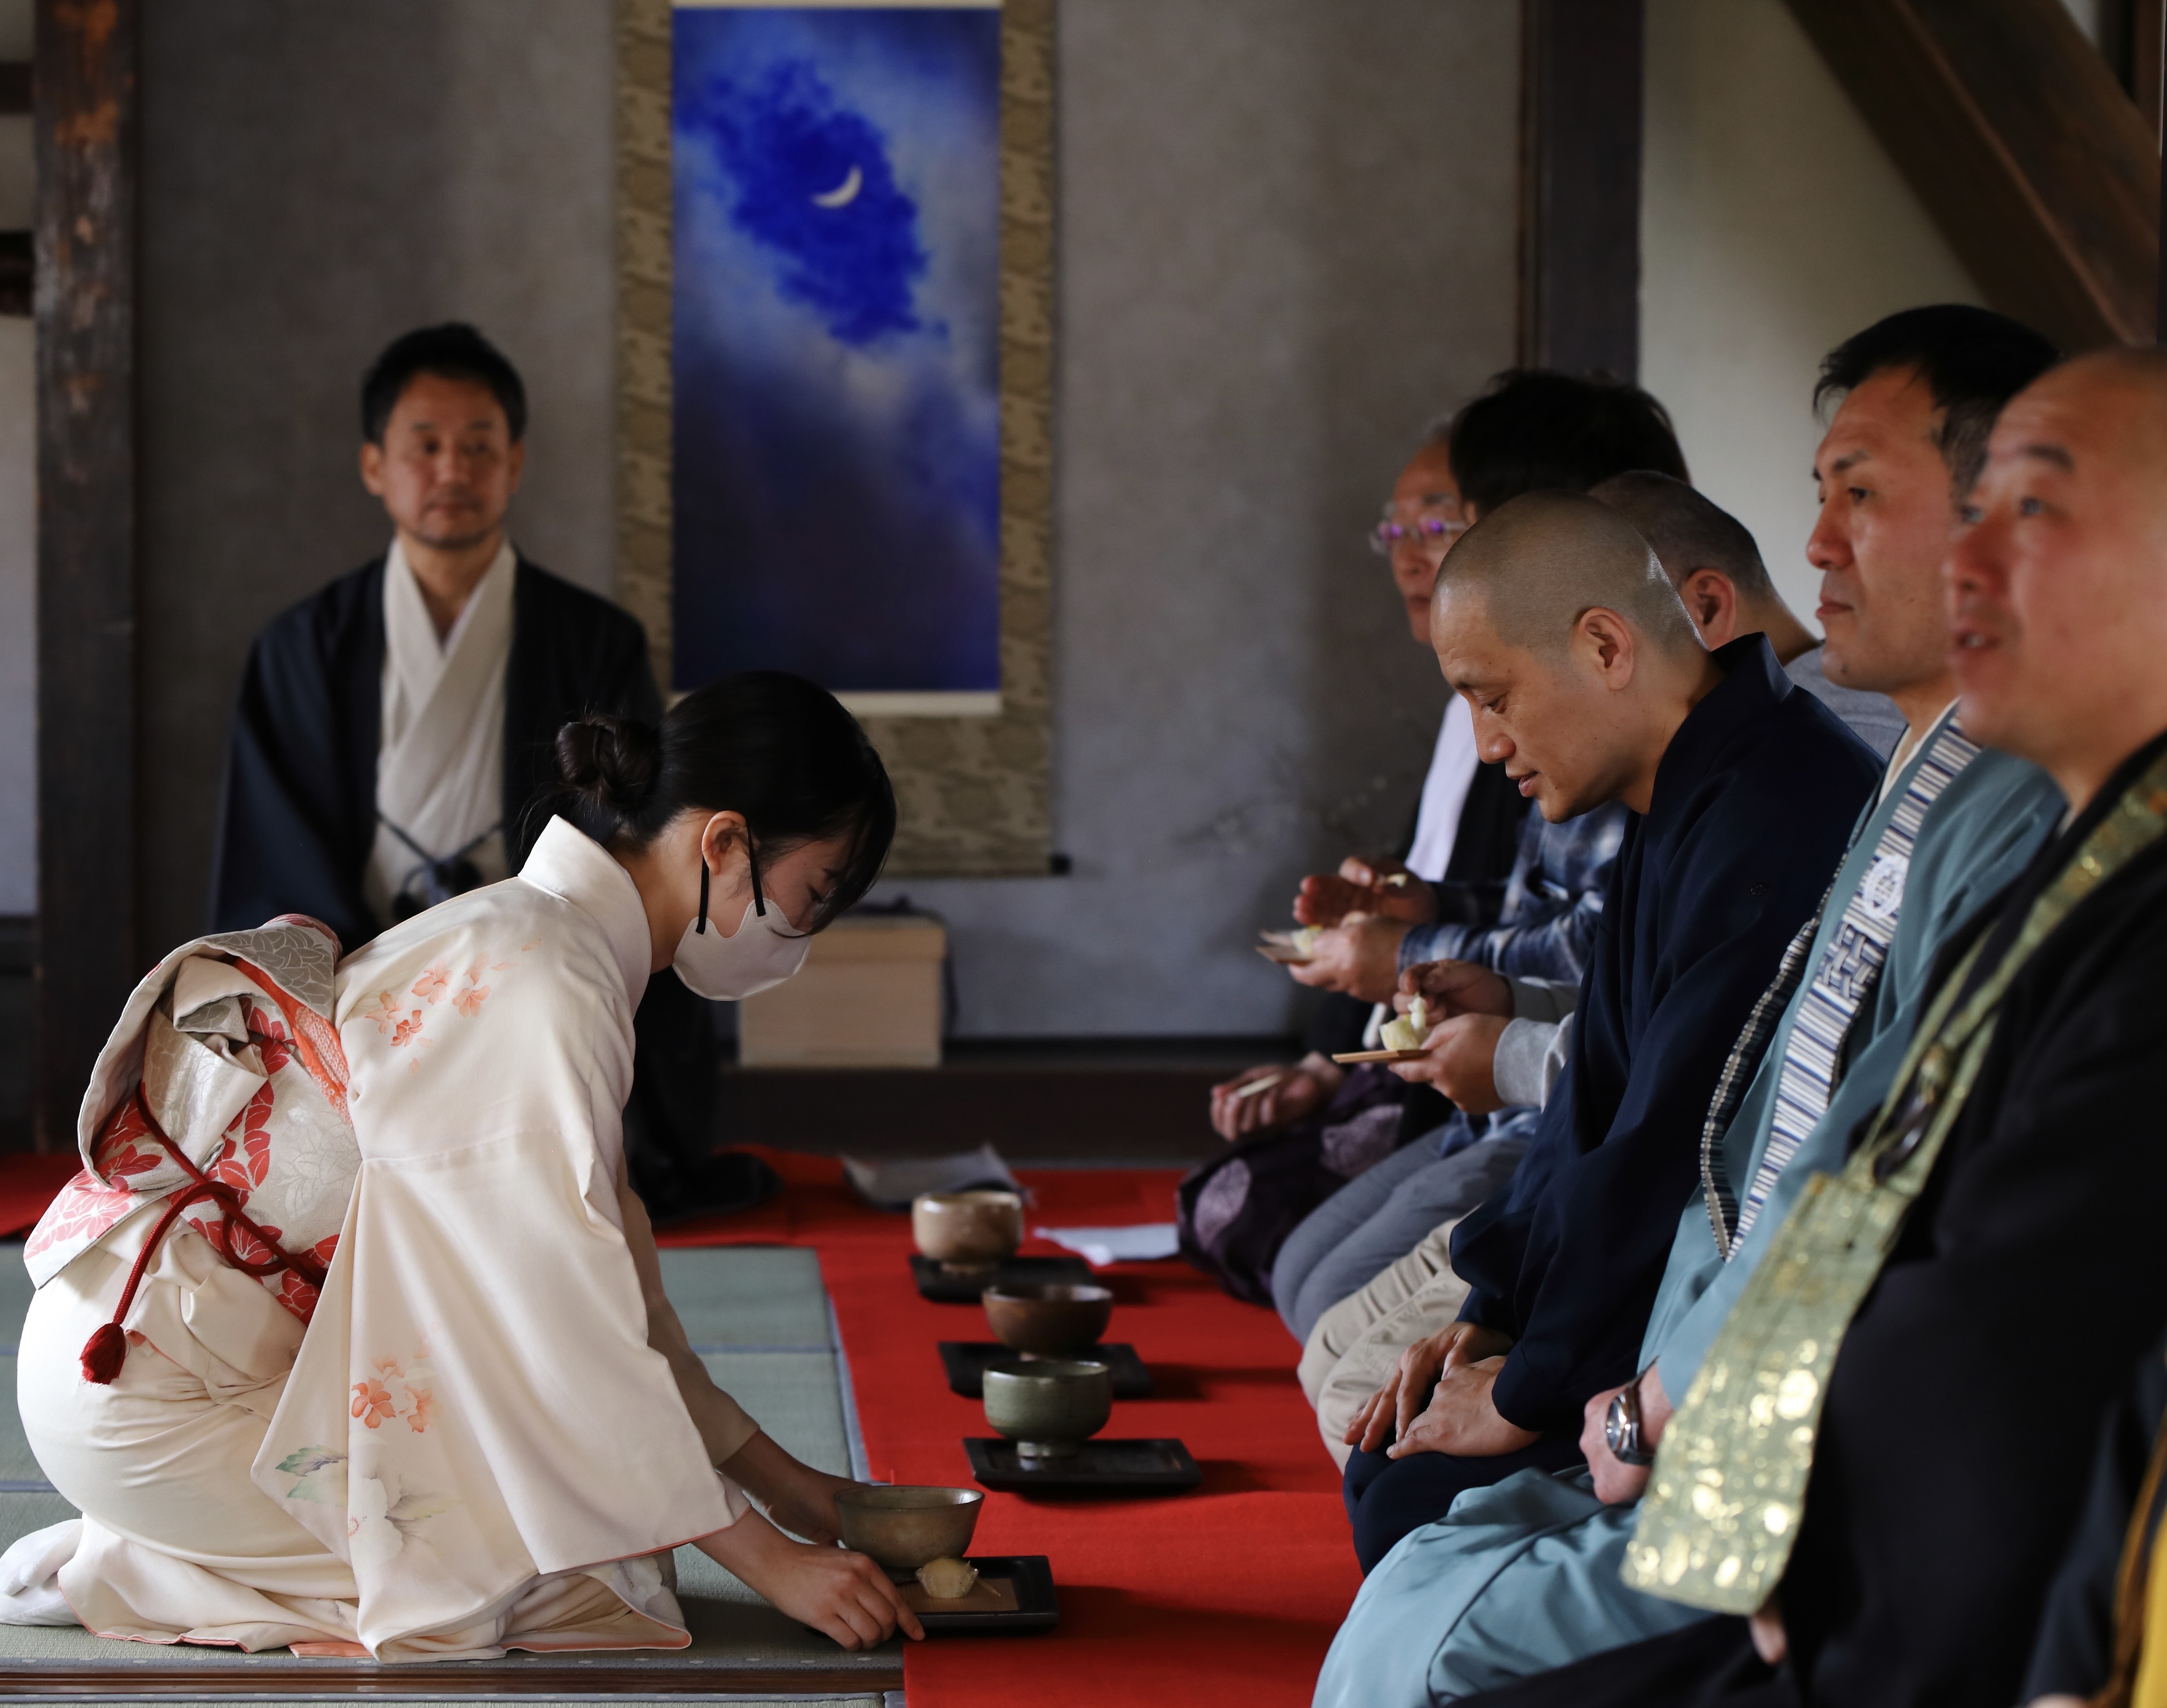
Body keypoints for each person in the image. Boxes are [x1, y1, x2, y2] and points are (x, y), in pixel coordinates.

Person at [1310, 304, 2064, 1704]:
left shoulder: (1957, 805)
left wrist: (1600, 1401)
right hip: (1684, 1368)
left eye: (1857, 494)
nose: (1817, 545)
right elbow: (1657, 1118)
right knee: (1398, 1509)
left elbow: (1758, 1166)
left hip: (1797, 1437)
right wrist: (1512, 1323)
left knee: (1422, 1612)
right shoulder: (1879, 780)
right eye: (1818, 496)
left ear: (2023, 525)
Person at [1464, 348, 2167, 1707]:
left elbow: (2016, 1297)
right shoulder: (2062, 849)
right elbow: (1841, 1173)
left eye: (2032, 514)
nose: (1973, 568)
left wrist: (1789, 1496)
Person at [6, 674, 923, 1660]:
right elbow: (552, 1324)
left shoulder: (538, 937)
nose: (802, 939)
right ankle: (119, 1561)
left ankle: (187, 1539)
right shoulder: (549, 979)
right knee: (574, 1581)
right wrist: (772, 1561)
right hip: (152, 1389)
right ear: (726, 843)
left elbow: (617, 1302)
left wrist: (796, 1492)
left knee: (601, 1534)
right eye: (812, 896)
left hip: (165, 1343)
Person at [1293, 463, 1920, 1461]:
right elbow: (1594, 1089)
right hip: (1614, 1265)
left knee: (1393, 1455)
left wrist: (1528, 1383)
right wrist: (1496, 1306)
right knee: (1377, 1418)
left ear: (1604, 645)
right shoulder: (1685, 790)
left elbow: (1667, 1140)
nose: (1487, 743)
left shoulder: (1775, 810)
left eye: (1494, 698)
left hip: (1697, 1311)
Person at [207, 324, 740, 1222]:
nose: (451, 468)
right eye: (425, 445)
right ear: (375, 465)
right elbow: (275, 844)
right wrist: (371, 981)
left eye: (479, 445)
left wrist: (513, 951)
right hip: (360, 986)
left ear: (515, 462)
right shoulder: (302, 647)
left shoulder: (594, 639)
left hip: (530, 977)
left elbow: (633, 842)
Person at [1186, 372, 1689, 1305]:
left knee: (1285, 1250)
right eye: (1409, 528)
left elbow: (1612, 968)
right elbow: (1527, 906)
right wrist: (1416, 913)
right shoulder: (1526, 705)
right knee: (1254, 1230)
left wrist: (1414, 953)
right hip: (1495, 1070)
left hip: (1542, 1100)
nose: (1426, 556)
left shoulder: (1625, 727)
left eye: (1449, 523)